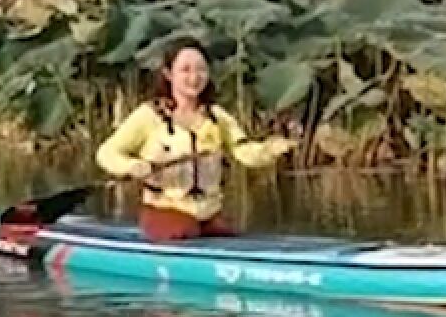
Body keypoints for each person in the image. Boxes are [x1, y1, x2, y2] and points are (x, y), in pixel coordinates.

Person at [95, 36, 296, 242]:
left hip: (208, 214)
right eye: (186, 70)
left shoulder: (217, 117)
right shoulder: (148, 116)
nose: (194, 77)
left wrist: (273, 149)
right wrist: (132, 166)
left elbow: (244, 153)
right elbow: (106, 153)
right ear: (168, 74)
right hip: (165, 211)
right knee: (185, 230)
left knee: (225, 232)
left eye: (201, 70)